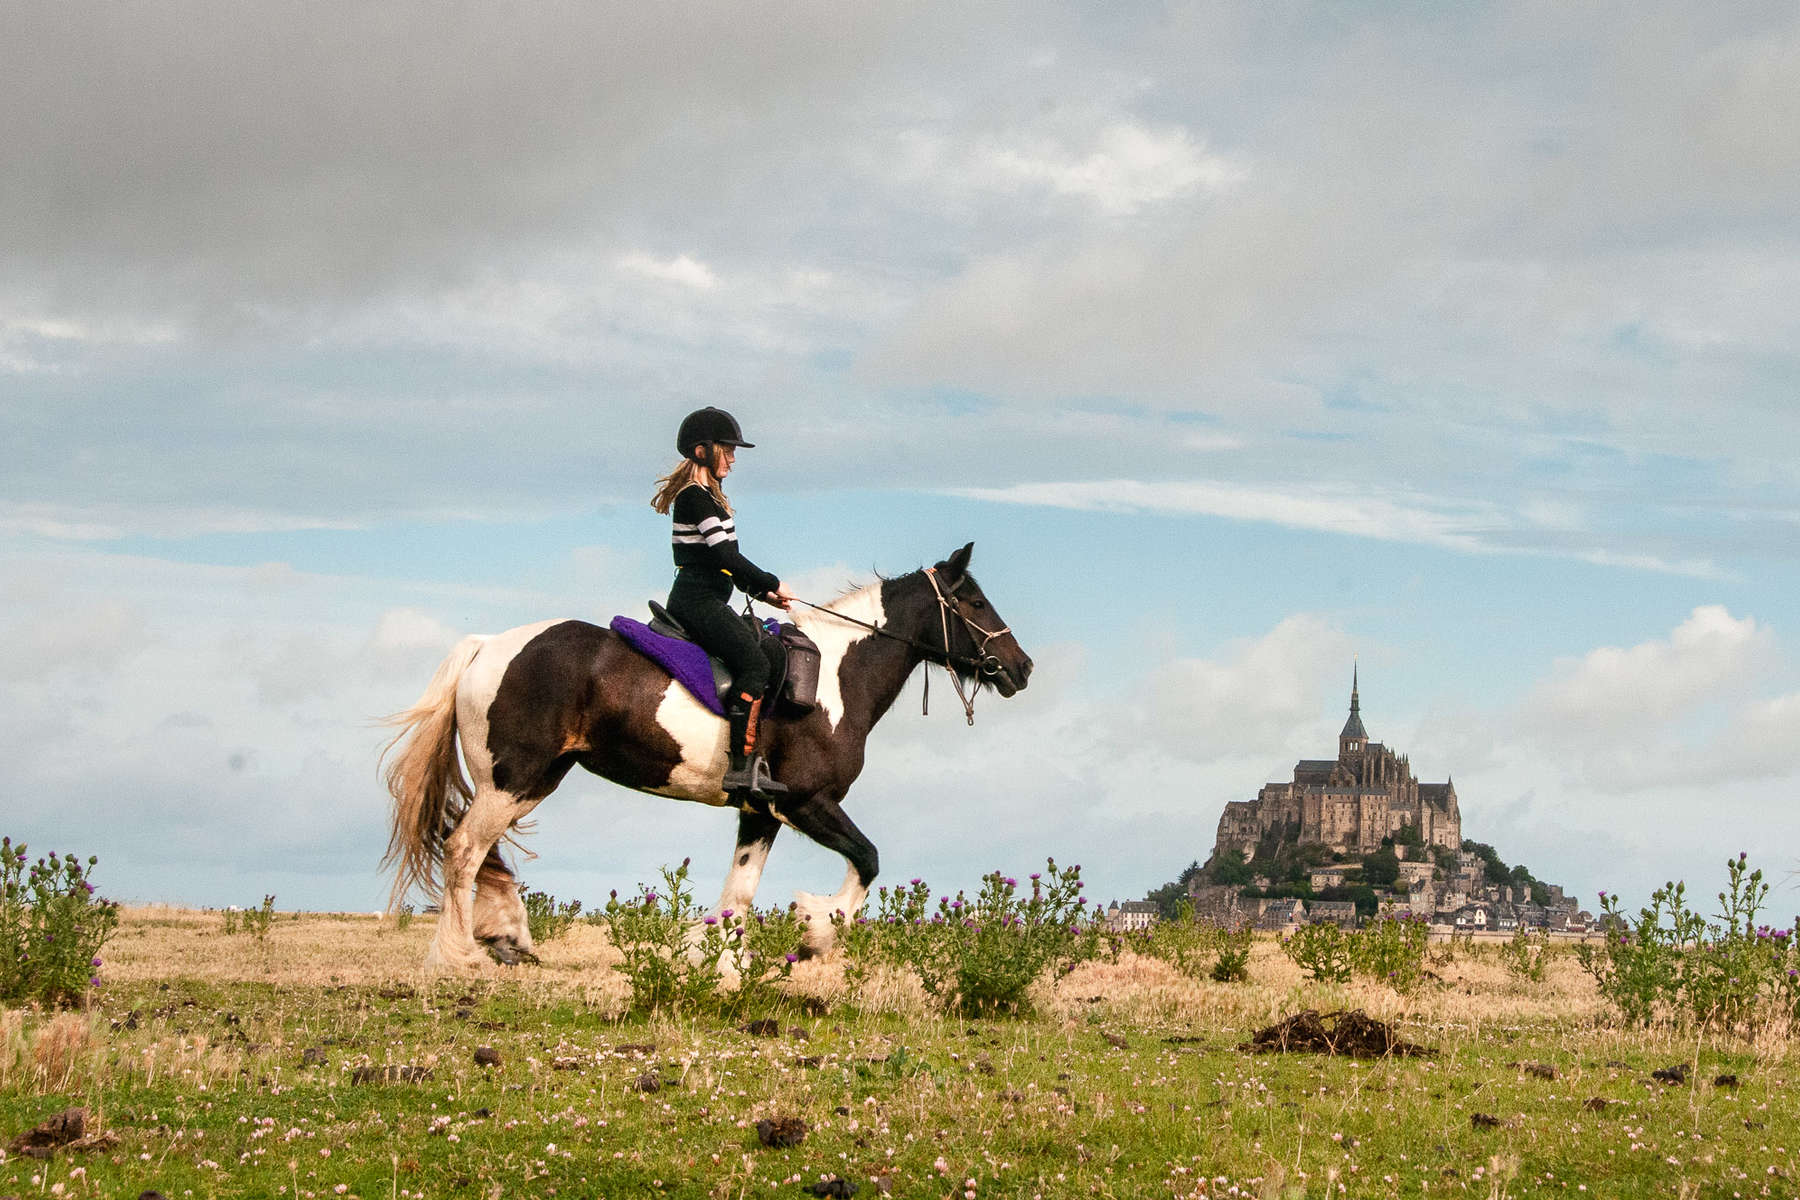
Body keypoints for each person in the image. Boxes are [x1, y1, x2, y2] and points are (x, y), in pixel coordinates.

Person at [651, 407, 796, 802]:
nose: (732, 458)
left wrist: (765, 595)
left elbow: (727, 565)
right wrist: (770, 581)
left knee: (768, 651)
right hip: (696, 601)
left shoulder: (711, 500)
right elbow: (726, 559)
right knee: (755, 664)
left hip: (713, 597)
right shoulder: (694, 500)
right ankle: (740, 766)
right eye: (727, 450)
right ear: (702, 451)